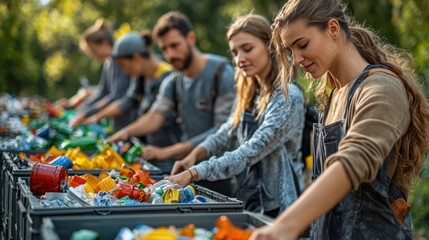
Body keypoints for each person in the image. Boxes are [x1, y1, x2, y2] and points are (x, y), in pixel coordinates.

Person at [250, 0, 429, 239]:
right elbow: (325, 185)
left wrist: (286, 226)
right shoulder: (333, 96)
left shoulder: (381, 88)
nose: (296, 60)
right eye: (290, 51)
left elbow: (354, 159)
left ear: (333, 28)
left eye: (302, 45)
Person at [165, 14, 304, 218]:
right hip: (249, 197)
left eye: (247, 49)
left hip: (281, 208)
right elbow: (227, 131)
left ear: (270, 46)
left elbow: (249, 151)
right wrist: (195, 154)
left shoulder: (287, 97)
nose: (239, 59)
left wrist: (195, 172)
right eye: (235, 52)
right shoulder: (249, 93)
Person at [107, 11, 236, 195]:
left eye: (175, 45)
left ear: (190, 38)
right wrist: (124, 133)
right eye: (165, 48)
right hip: (187, 173)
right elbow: (154, 116)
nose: (170, 54)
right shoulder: (173, 81)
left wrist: (166, 152)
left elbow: (223, 130)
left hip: (222, 176)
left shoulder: (221, 74)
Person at [85, 31, 180, 173]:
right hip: (148, 151)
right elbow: (127, 101)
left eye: (123, 65)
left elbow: (155, 117)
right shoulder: (141, 76)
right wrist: (95, 116)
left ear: (136, 58)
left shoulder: (168, 77)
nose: (124, 71)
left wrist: (126, 132)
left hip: (168, 155)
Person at [71, 19, 132, 131]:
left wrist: (89, 112)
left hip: (128, 121)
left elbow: (116, 95)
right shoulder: (108, 63)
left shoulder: (119, 61)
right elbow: (102, 91)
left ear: (104, 43)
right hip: (118, 122)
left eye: (93, 51)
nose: (93, 56)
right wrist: (83, 108)